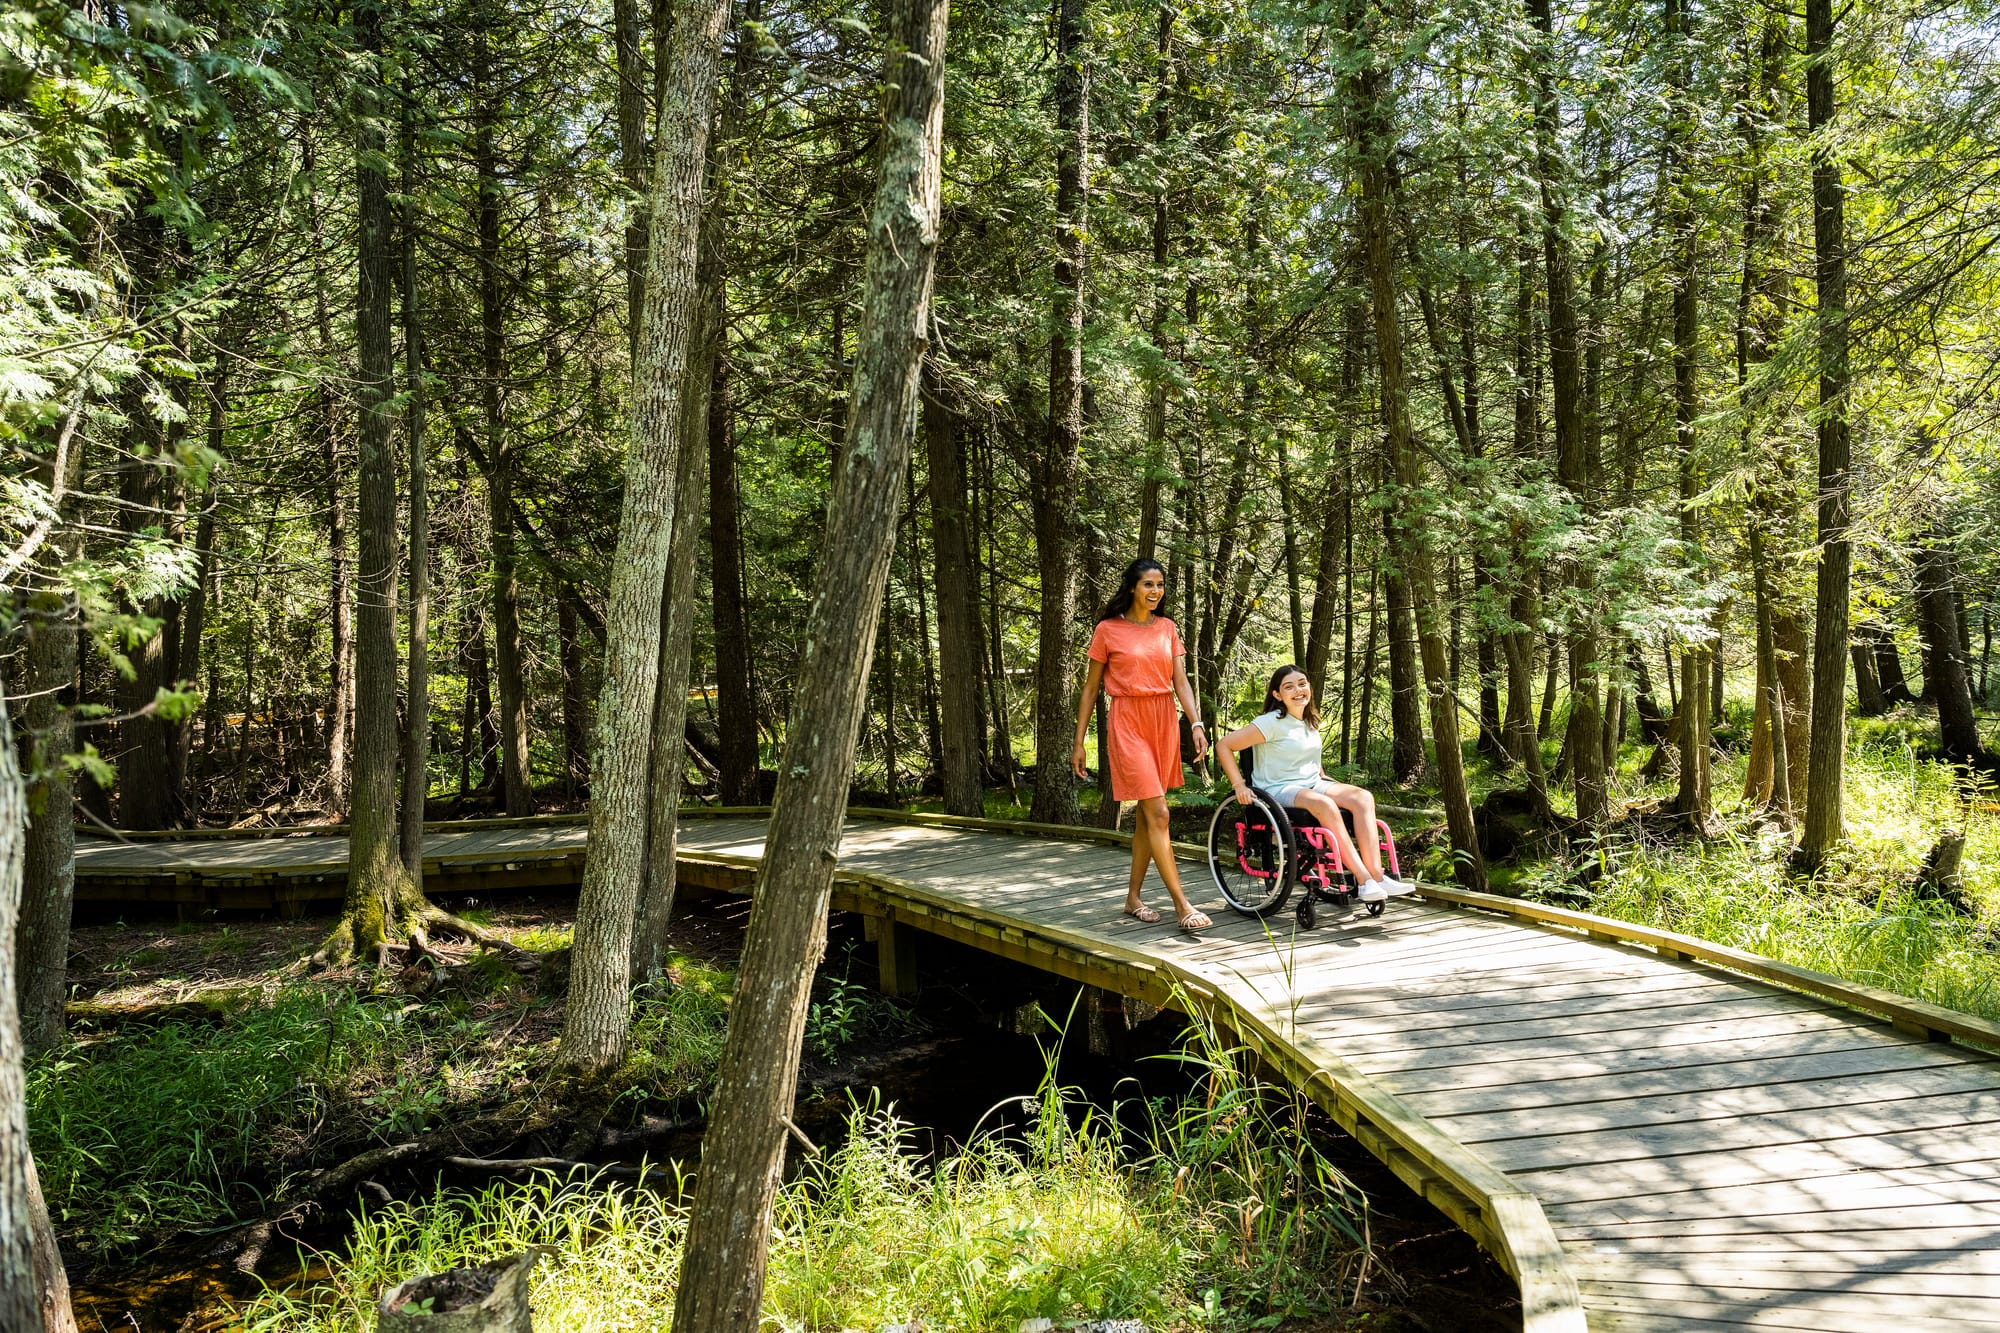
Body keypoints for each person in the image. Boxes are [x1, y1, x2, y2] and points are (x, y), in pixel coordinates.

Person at [1070, 558, 1214, 931]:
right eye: (1148, 584)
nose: (1155, 592)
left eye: (1160, 585)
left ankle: (1133, 898)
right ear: (1133, 587)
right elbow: (1090, 689)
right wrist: (1080, 741)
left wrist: (1195, 723)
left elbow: (1181, 681)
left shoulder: (1167, 628)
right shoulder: (1107, 630)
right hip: (1128, 720)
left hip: (1163, 719)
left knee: (1148, 818)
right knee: (1160, 812)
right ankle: (1182, 905)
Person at [1215, 663, 1414, 903]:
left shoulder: (1309, 720)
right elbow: (1223, 745)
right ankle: (1363, 881)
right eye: (1289, 687)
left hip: (1310, 783)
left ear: (1309, 687)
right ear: (1277, 694)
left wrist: (1333, 785)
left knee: (1363, 798)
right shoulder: (1270, 722)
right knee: (1324, 804)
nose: (1298, 690)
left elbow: (1312, 763)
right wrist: (1239, 785)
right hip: (1277, 789)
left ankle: (1378, 876)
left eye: (1302, 684)